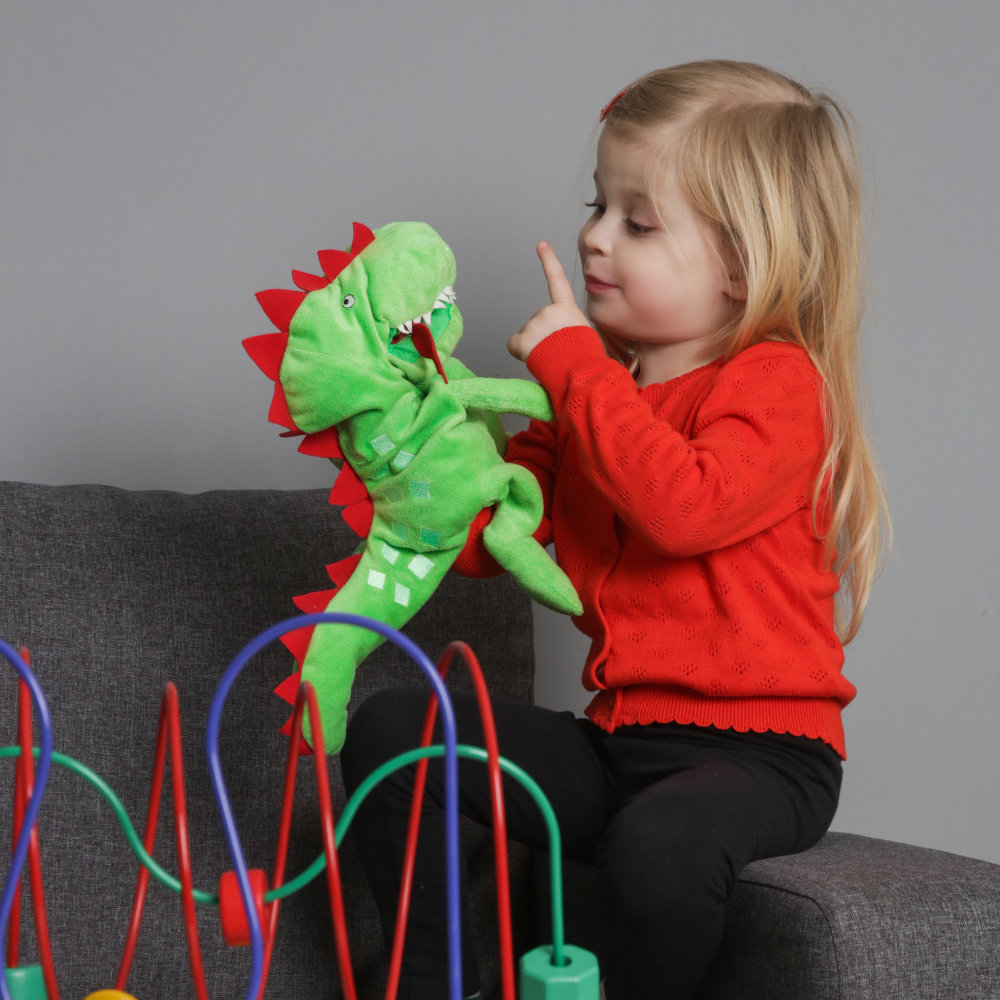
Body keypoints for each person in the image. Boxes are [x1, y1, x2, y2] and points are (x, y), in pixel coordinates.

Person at [340, 59, 890, 1000]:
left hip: (760, 757)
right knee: (397, 732)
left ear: (742, 264)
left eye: (636, 221)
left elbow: (681, 507)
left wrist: (575, 366)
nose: (593, 236)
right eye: (600, 205)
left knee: (659, 844)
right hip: (617, 744)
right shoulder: (588, 400)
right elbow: (492, 539)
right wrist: (418, 460)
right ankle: (445, 983)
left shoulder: (777, 383)